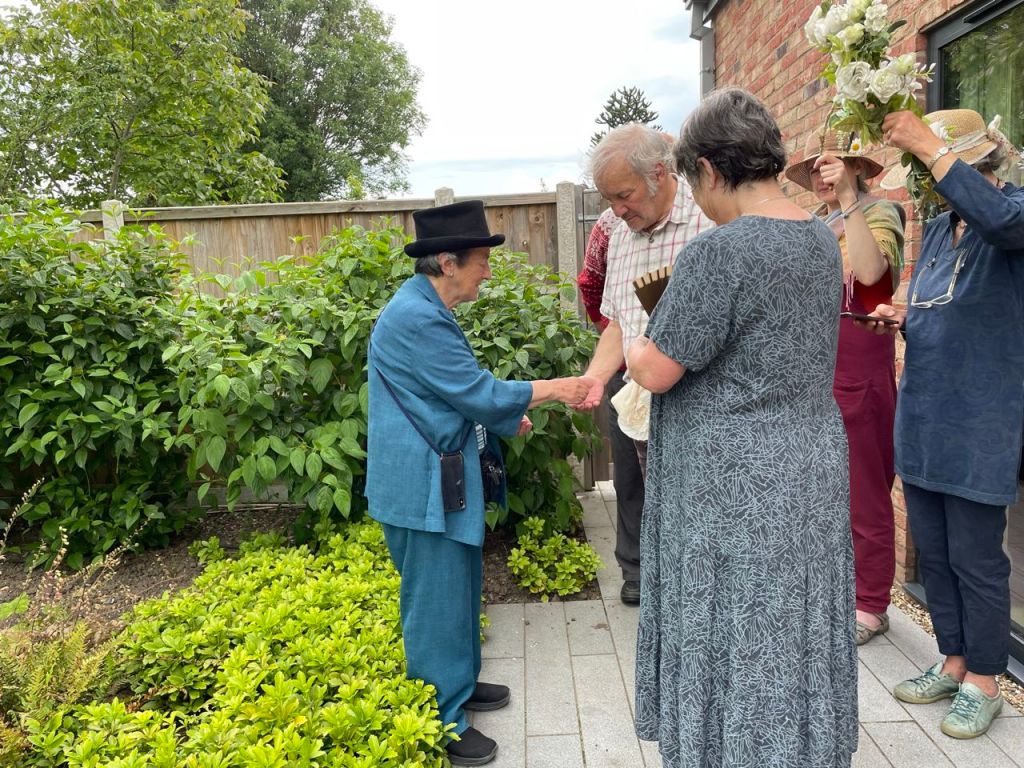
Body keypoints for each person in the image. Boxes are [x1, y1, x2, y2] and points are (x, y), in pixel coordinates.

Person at [626, 88, 857, 767]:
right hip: (808, 463)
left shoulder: (719, 253)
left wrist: (637, 348)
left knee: (733, 618)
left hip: (732, 485)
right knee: (794, 616)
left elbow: (659, 369)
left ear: (709, 169)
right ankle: (800, 748)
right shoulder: (820, 237)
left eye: (694, 181)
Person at [366, 200, 593, 766]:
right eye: (481, 262)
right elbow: (477, 391)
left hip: (435, 474)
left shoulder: (424, 307)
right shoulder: (418, 317)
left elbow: (447, 391)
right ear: (448, 262)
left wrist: (503, 417)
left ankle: (459, 684)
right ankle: (440, 717)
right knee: (435, 601)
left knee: (459, 586)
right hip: (422, 484)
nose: (487, 273)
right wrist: (558, 388)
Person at [863, 108, 1024, 740]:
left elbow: (1002, 223)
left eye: (932, 165)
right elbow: (945, 306)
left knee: (976, 557)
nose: (928, 181)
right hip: (924, 412)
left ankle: (985, 679)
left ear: (981, 159)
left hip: (982, 419)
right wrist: (904, 316)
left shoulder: (1011, 212)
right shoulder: (938, 228)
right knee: (933, 549)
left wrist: (927, 145)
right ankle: (953, 661)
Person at [578, 123, 710, 605]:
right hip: (636, 398)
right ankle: (652, 588)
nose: (616, 210)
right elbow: (618, 322)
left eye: (624, 195)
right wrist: (594, 378)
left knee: (696, 521)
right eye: (608, 199)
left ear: (659, 173)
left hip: (697, 405)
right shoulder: (618, 232)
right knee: (637, 494)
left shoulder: (709, 219)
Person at [785, 130, 905, 646]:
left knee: (864, 492)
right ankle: (832, 591)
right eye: (814, 167)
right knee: (818, 492)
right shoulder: (815, 224)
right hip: (813, 373)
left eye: (832, 164)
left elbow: (873, 278)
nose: (821, 174)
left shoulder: (878, 212)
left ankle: (871, 602)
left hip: (858, 372)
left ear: (857, 169)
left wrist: (851, 200)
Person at [576, 206, 646, 606]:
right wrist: (614, 333)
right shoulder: (609, 224)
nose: (622, 205)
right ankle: (634, 569)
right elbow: (590, 283)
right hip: (626, 371)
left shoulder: (701, 210)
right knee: (630, 474)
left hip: (687, 374)